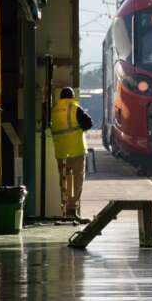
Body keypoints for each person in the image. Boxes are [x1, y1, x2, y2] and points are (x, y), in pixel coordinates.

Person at [50, 86, 93, 218]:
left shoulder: (54, 110)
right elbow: (88, 123)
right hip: (76, 150)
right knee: (77, 178)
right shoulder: (75, 108)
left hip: (61, 152)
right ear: (72, 96)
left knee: (63, 179)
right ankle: (72, 209)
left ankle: (64, 205)